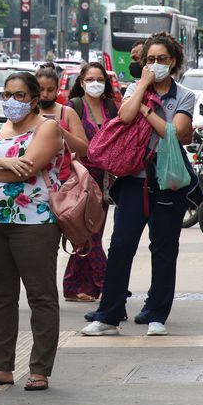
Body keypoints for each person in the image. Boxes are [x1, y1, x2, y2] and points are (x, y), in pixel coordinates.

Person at [81, 32, 195, 338]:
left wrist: (148, 110)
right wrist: (143, 87)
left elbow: (177, 133)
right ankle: (109, 314)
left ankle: (156, 313)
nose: (156, 65)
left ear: (173, 62)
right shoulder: (135, 88)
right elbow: (124, 115)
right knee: (120, 246)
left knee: (164, 248)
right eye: (150, 60)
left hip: (169, 181)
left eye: (162, 59)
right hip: (134, 180)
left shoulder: (184, 96)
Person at [0, 71, 63, 392]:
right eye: (7, 95)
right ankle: (2, 368)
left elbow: (30, 168)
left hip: (34, 224)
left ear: (35, 99)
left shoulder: (47, 128)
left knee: (40, 296)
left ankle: (39, 370)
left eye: (20, 96)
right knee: (1, 297)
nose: (11, 101)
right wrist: (6, 164)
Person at [61, 62, 116, 302]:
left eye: (99, 79)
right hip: (81, 177)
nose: (95, 83)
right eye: (90, 79)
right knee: (87, 233)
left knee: (93, 232)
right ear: (81, 83)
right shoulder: (74, 107)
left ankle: (77, 286)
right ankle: (108, 282)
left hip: (105, 179)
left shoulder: (111, 107)